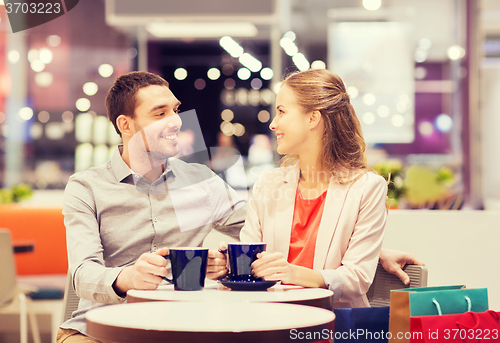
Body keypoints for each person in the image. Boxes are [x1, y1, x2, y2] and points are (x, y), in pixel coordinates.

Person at [58, 71, 246, 342]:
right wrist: (129, 276)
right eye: (160, 114)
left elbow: (259, 231)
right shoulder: (87, 187)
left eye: (175, 110)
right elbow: (82, 274)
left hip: (183, 327)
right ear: (126, 124)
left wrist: (227, 259)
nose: (176, 121)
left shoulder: (200, 181)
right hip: (102, 330)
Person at [238, 69, 420, 307]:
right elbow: (249, 260)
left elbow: (356, 278)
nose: (273, 123)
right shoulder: (267, 184)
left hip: (335, 325)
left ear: (313, 118)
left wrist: (292, 274)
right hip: (273, 319)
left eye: (282, 111)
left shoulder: (366, 187)